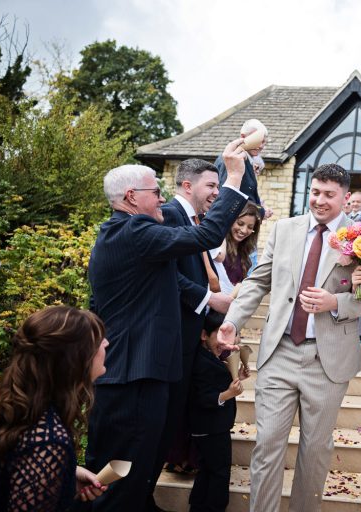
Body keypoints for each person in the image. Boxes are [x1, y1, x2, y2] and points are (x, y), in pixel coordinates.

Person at [85, 137, 250, 511]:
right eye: (155, 192)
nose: (162, 199)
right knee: (119, 475)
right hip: (132, 376)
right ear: (131, 197)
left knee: (132, 471)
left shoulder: (125, 234)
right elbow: (207, 235)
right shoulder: (133, 232)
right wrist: (233, 177)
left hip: (133, 372)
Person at [217, 163, 361, 512]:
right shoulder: (284, 229)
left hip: (326, 362)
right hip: (279, 352)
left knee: (315, 451)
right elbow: (258, 281)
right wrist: (233, 320)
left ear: (345, 198)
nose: (319, 200)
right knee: (267, 446)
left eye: (329, 195)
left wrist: (335, 302)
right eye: (315, 192)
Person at [0, 306, 109, 510]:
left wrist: (65, 477)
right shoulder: (48, 440)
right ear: (74, 360)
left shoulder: (17, 411)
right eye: (97, 341)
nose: (106, 343)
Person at [159, 158, 235, 476]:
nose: (216, 192)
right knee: (163, 422)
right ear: (188, 186)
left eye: (219, 186)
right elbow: (167, 275)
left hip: (188, 334)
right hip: (171, 336)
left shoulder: (192, 219)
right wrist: (208, 299)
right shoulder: (170, 215)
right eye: (211, 186)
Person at [188, 311, 247, 512]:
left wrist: (236, 376)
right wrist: (228, 394)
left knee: (207, 471)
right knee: (219, 473)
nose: (224, 342)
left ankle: (197, 508)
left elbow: (215, 382)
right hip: (210, 428)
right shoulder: (201, 362)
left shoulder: (209, 357)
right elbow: (202, 397)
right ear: (204, 335)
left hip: (210, 427)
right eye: (219, 336)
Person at [213, 119, 265, 206]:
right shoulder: (232, 160)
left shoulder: (249, 161)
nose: (260, 146)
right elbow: (224, 196)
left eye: (263, 141)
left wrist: (261, 209)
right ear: (243, 136)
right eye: (257, 140)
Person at [222, 202, 262, 286]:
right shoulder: (220, 245)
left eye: (250, 227)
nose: (244, 230)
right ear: (231, 220)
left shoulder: (246, 251)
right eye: (240, 224)